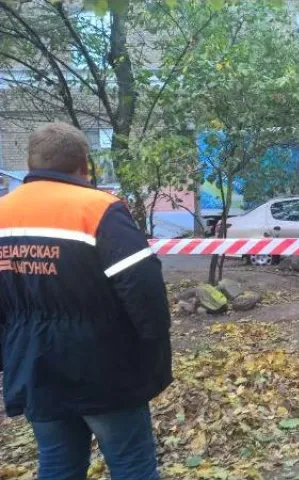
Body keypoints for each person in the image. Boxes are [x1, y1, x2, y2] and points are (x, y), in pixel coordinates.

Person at [0, 123, 172, 479]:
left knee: (58, 465)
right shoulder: (100, 209)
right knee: (132, 466)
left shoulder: (3, 213)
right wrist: (152, 352)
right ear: (84, 165)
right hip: (104, 369)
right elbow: (143, 288)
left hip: (34, 368)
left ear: (31, 164)